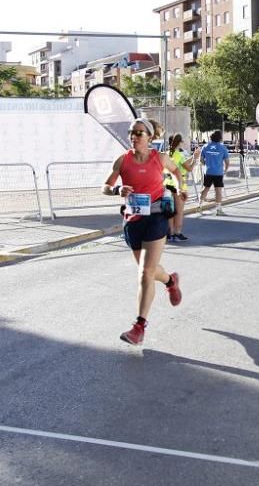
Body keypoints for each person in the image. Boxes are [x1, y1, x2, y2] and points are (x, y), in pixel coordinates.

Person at [102, 117, 183, 346]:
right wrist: (117, 189)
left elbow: (177, 172)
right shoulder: (122, 160)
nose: (134, 137)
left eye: (139, 133)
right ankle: (170, 281)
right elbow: (104, 186)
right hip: (132, 220)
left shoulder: (160, 158)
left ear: (150, 137)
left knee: (145, 273)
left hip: (156, 216)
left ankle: (139, 327)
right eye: (132, 133)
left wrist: (177, 188)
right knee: (147, 270)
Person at [165, 133, 199, 241]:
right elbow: (188, 168)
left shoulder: (166, 154)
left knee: (169, 211)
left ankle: (169, 233)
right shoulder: (179, 155)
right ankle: (177, 232)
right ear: (179, 142)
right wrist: (195, 159)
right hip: (179, 184)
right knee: (179, 211)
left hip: (166, 184)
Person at [199, 130, 230, 215]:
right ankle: (218, 210)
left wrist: (206, 165)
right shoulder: (223, 148)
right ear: (220, 138)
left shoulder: (205, 146)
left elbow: (201, 160)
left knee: (205, 189)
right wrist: (225, 170)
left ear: (211, 138)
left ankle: (199, 207)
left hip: (208, 171)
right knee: (218, 191)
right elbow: (227, 162)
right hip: (218, 173)